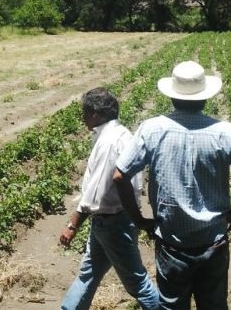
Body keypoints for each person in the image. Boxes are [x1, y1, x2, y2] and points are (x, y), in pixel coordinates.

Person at [112, 61, 231, 310]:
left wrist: (138, 219)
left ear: (171, 97)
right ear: (206, 98)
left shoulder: (152, 129)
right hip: (214, 241)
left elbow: (119, 176)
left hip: (171, 244)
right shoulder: (226, 132)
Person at [59, 87, 160, 310]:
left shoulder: (108, 143)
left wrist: (72, 225)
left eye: (84, 113)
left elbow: (94, 196)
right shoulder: (122, 134)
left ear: (95, 114)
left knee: (137, 283)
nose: (82, 118)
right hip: (112, 221)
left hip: (112, 222)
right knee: (88, 274)